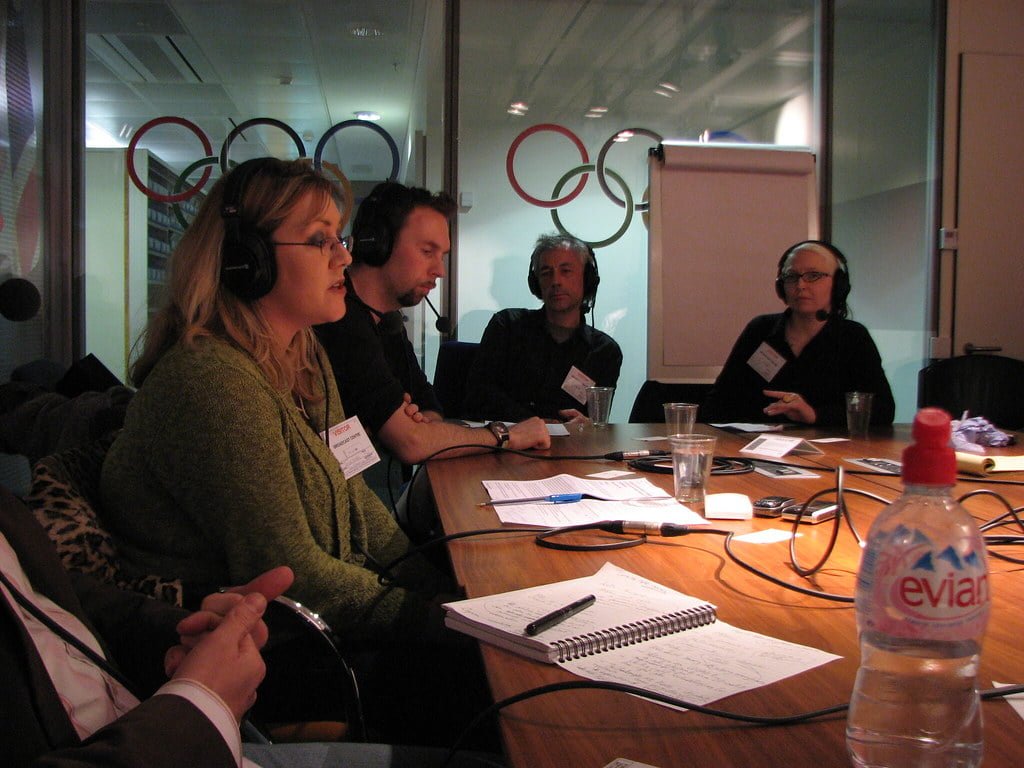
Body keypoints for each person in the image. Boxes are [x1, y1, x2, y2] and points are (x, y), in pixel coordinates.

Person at [99, 159, 452, 647]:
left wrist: (441, 588)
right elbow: (291, 573)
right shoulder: (213, 382)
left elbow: (354, 493)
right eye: (318, 240)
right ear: (247, 261)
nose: (344, 259)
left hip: (323, 625)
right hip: (248, 651)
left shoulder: (304, 357)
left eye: (339, 239)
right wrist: (439, 619)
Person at [0, 486, 497, 767]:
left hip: (163, 722)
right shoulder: (217, 382)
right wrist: (198, 698)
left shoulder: (285, 377)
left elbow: (61, 602)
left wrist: (181, 632)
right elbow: (301, 566)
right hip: (171, 742)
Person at [315, 181, 550, 466]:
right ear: (377, 244)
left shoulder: (387, 321)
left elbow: (428, 403)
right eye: (427, 251)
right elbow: (412, 444)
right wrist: (505, 436)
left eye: (442, 256)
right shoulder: (340, 320)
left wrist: (422, 427)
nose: (439, 270)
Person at [701, 240, 895, 427]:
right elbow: (719, 401)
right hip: (758, 447)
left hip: (829, 450)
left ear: (838, 285)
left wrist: (815, 415)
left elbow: (882, 410)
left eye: (813, 275)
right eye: (792, 276)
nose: (800, 285)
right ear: (781, 286)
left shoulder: (853, 337)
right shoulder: (760, 329)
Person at [463, 233, 622, 422]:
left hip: (569, 448)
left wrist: (589, 426)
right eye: (546, 273)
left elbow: (596, 421)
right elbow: (478, 397)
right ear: (536, 282)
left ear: (587, 279)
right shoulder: (507, 327)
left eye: (566, 271)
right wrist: (534, 422)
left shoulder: (605, 352)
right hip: (506, 443)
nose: (556, 281)